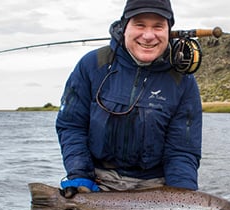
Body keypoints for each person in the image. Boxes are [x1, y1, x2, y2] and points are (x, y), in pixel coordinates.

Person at [56, 0, 202, 198]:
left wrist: (184, 199)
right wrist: (79, 173)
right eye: (139, 24)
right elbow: (72, 126)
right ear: (125, 27)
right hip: (96, 180)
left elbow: (182, 151)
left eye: (158, 26)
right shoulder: (92, 65)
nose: (148, 36)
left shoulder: (182, 80)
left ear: (169, 31)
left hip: (154, 187)